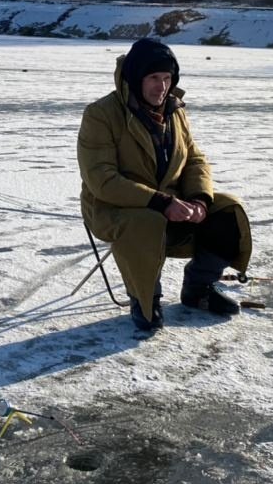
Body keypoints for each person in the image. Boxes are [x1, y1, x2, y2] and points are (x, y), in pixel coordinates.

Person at [78, 37, 253, 333]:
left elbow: (194, 158)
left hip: (171, 203)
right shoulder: (101, 115)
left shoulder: (175, 111)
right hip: (114, 208)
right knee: (145, 220)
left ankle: (199, 287)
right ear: (135, 78)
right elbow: (102, 180)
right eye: (153, 78)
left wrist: (199, 199)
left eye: (167, 78)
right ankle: (145, 299)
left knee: (228, 209)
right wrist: (161, 202)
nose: (161, 87)